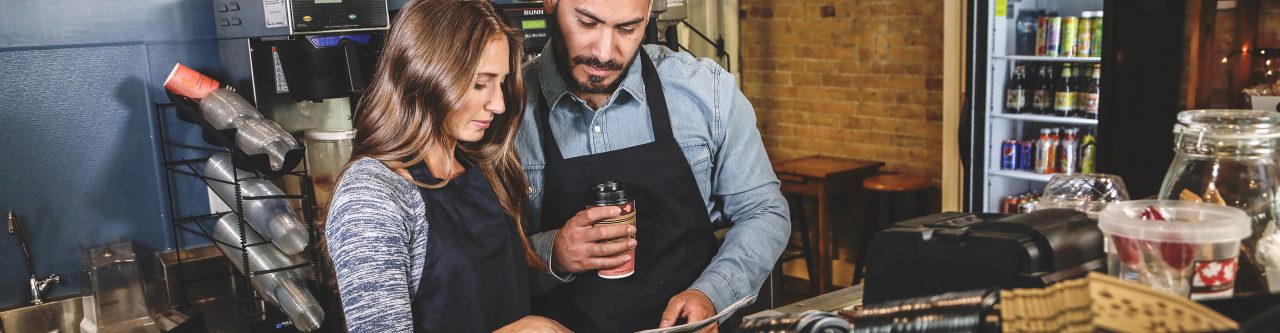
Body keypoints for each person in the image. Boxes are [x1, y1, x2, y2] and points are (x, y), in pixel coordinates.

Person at [516, 0, 791, 331]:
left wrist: (712, 293)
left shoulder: (706, 92)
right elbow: (469, 262)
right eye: (587, 24)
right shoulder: (501, 112)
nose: (604, 53)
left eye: (627, 28)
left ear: (648, 15)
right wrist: (551, 255)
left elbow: (763, 211)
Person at [325, 0, 569, 332]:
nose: (498, 104)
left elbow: (495, 289)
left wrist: (562, 255)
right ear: (427, 74)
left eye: (501, 83)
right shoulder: (372, 195)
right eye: (481, 84)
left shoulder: (483, 166)